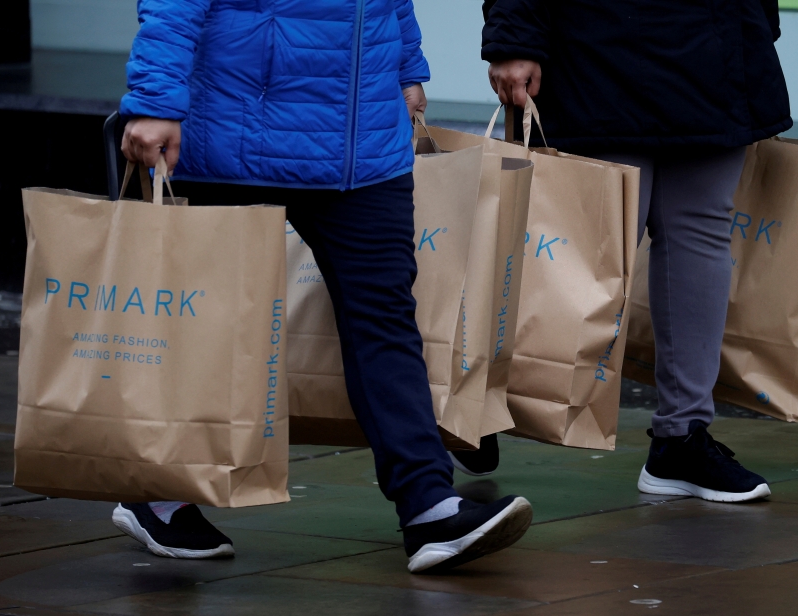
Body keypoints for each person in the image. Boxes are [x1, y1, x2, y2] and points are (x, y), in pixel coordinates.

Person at [109, 0, 532, 573]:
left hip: (363, 141)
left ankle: (428, 503)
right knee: (206, 322)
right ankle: (158, 492)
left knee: (384, 318)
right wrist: (156, 100)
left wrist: (407, 67)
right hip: (239, 130)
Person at [456, 0, 791, 502]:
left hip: (714, 44)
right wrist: (513, 39)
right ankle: (470, 402)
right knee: (578, 249)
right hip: (602, 45)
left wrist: (757, 23)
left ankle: (682, 437)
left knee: (698, 237)